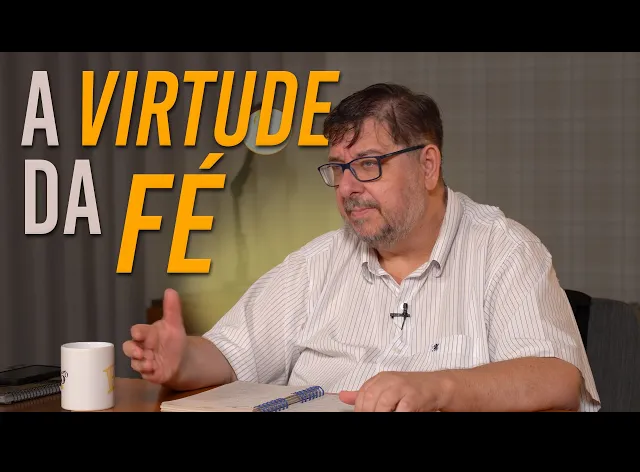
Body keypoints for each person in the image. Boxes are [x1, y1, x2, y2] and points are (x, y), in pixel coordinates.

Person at [123, 83, 601, 412]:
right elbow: (231, 354)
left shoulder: (504, 250)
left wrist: (435, 389)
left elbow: (557, 379)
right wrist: (182, 359)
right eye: (338, 168)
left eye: (369, 164)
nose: (348, 187)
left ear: (428, 166)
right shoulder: (317, 263)